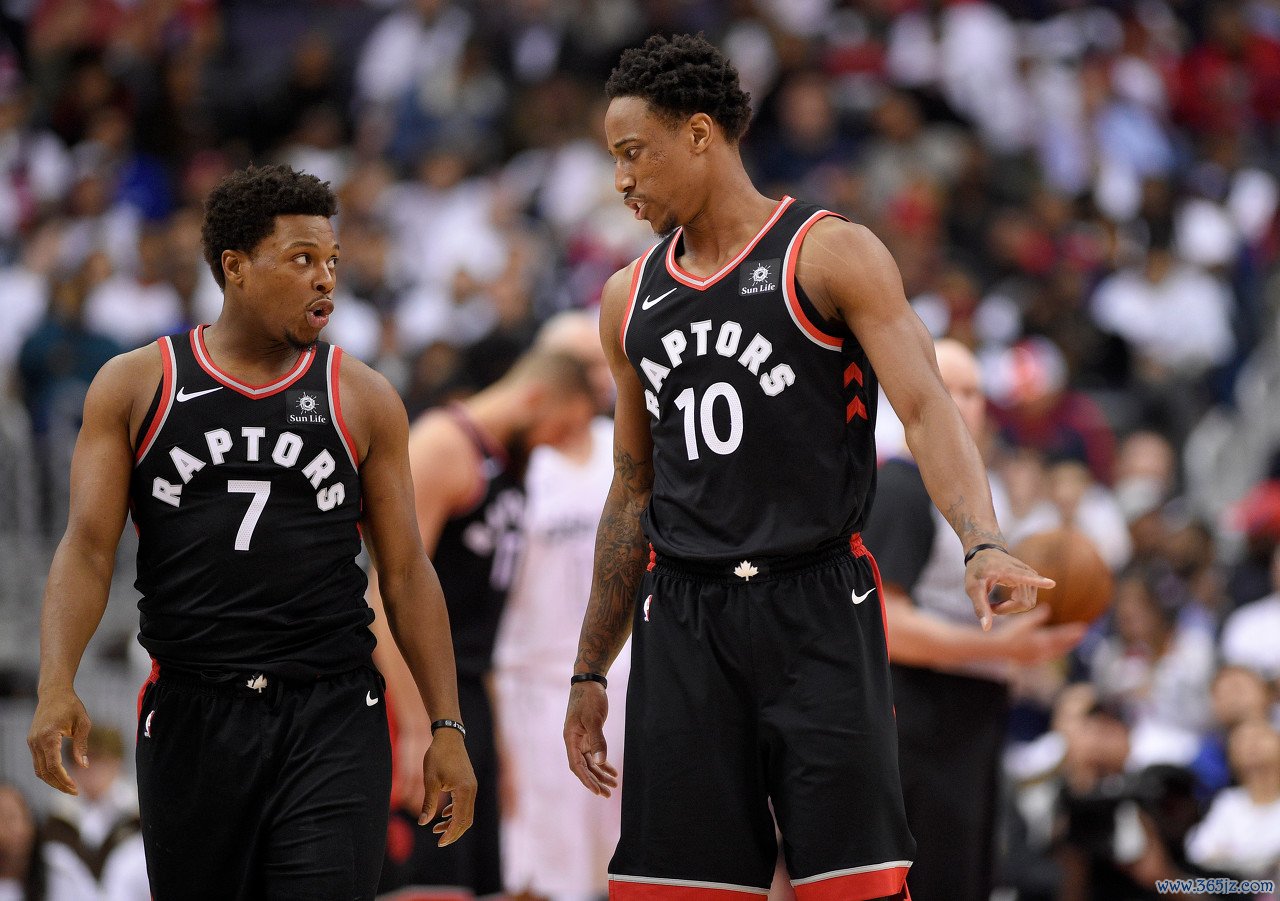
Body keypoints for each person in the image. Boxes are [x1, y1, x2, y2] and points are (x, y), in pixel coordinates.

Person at [562, 34, 1051, 901]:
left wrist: (980, 539)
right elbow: (633, 489)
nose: (621, 181)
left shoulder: (827, 252)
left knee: (854, 886)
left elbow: (927, 405)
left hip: (817, 604)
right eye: (614, 160)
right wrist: (591, 668)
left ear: (700, 133)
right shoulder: (625, 300)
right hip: (684, 617)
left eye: (634, 153)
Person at [25, 163, 476, 901]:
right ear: (234, 266)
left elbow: (404, 572)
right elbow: (86, 548)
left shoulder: (362, 396)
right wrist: (55, 683)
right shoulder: (137, 384)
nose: (325, 279)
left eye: (332, 261)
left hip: (331, 710)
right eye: (301, 259)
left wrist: (445, 723)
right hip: (194, 710)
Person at [861, 338, 1087, 901]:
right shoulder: (902, 488)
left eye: (973, 391)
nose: (963, 402)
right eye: (947, 389)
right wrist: (1002, 649)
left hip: (968, 719)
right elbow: (886, 626)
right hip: (915, 721)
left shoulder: (979, 496)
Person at [369, 344, 596, 897]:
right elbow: (384, 597)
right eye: (562, 428)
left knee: (482, 884)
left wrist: (496, 742)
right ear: (536, 398)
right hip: (423, 697)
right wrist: (419, 726)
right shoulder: (441, 446)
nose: (559, 444)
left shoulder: (509, 463)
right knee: (430, 884)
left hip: (469, 697)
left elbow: (481, 620)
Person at [494, 311, 630, 901]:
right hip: (538, 684)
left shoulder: (624, 448)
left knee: (630, 857)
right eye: (580, 365)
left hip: (626, 677)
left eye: (601, 363)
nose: (596, 377)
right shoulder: (519, 463)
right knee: (547, 868)